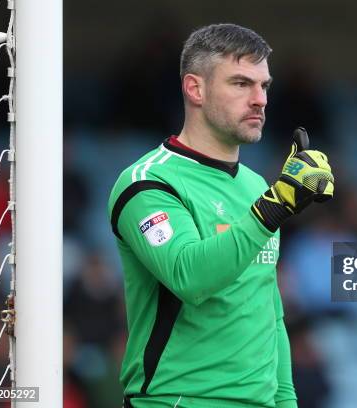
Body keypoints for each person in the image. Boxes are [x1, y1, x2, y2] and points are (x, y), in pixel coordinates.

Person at [108, 23, 334, 408]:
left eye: (264, 86)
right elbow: (189, 276)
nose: (260, 99)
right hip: (178, 400)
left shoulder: (255, 187)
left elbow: (268, 310)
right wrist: (274, 207)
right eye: (241, 84)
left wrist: (285, 400)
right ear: (195, 88)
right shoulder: (147, 181)